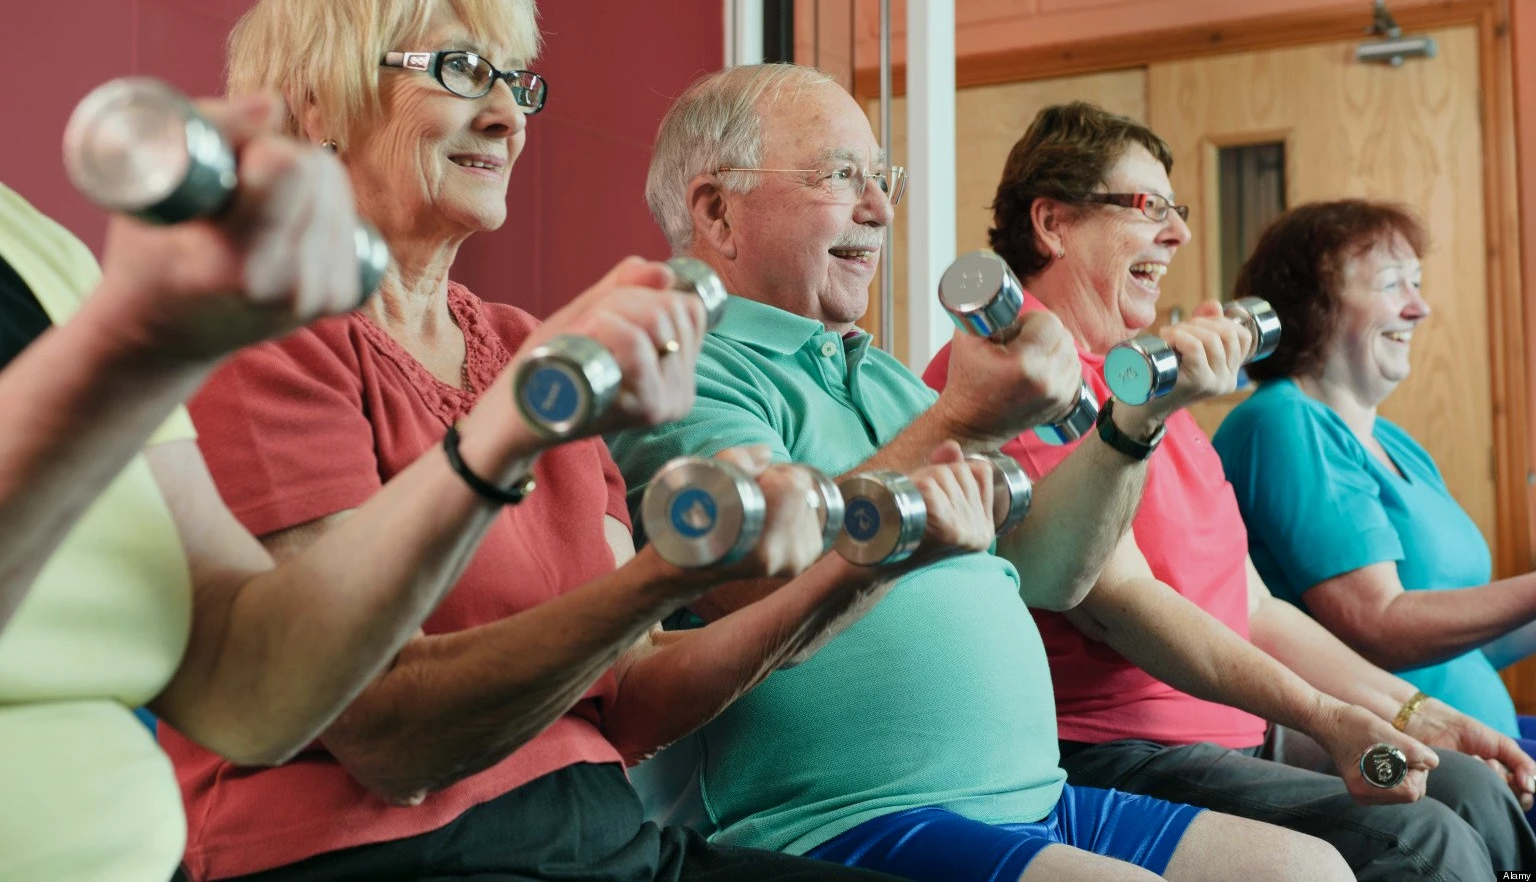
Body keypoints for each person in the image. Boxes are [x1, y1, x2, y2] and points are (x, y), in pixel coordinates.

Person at [163, 0, 970, 882]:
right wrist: (666, 573)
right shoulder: (265, 337)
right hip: (385, 853)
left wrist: (863, 560)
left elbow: (631, 695)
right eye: (461, 71)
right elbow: (388, 737)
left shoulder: (520, 345)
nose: (507, 115)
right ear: (319, 102)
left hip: (599, 834)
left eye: (515, 81)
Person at [610, 62, 1353, 882]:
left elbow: (1051, 571)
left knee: (1307, 870)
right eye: (840, 176)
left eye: (880, 177)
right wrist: (959, 418)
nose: (880, 208)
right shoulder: (684, 366)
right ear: (716, 210)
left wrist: (1133, 421)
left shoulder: (886, 377)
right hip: (837, 819)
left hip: (1034, 793)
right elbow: (754, 586)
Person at [926, 100, 1536, 880]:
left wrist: (1418, 712)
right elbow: (1115, 603)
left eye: (1177, 210)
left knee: (1475, 791)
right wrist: (1329, 718)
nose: (1179, 233)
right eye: (1149, 206)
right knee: (1422, 838)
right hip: (1118, 748)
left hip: (1233, 732)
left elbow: (1256, 608)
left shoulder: (1152, 391)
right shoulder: (1015, 372)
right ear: (1053, 223)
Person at [1213, 198, 1536, 763]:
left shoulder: (1395, 443)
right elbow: (1376, 624)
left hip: (1477, 754)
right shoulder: (1284, 422)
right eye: (1393, 284)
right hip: (1391, 764)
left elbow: (1460, 649)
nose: (1419, 307)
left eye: (1417, 282)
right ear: (1315, 305)